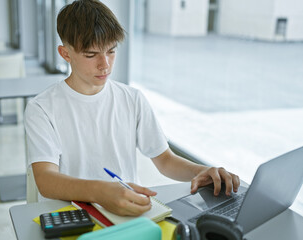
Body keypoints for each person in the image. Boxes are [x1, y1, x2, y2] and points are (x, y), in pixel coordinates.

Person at [24, 0, 240, 216]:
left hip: (126, 212)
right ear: (65, 53)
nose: (105, 64)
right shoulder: (42, 108)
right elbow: (46, 180)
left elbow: (164, 160)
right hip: (72, 215)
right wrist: (99, 191)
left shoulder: (132, 99)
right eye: (91, 55)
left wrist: (203, 171)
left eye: (111, 51)